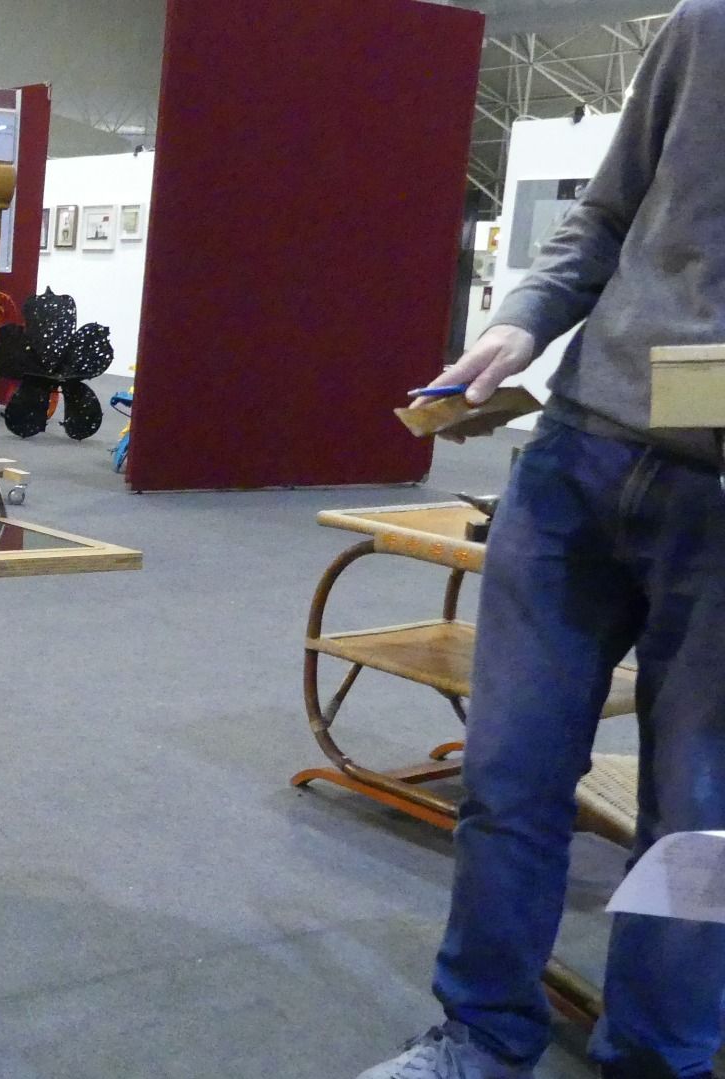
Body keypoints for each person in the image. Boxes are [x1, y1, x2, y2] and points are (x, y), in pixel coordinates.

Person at [361, 2, 725, 1077]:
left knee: (699, 818)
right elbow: (607, 213)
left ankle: (657, 1055)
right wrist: (523, 317)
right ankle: (481, 1033)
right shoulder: (707, 26)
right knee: (509, 774)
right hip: (580, 458)